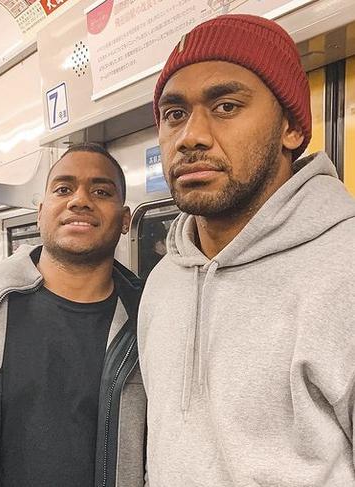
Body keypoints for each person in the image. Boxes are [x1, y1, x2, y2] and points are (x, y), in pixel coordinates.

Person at [139, 14, 355, 486]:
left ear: (292, 129)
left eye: (226, 106)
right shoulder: (162, 281)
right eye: (174, 114)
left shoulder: (347, 269)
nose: (190, 136)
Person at [0, 142, 146, 487]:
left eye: (101, 190)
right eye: (64, 189)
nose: (80, 200)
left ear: (126, 220)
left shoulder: (149, 318)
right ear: (40, 212)